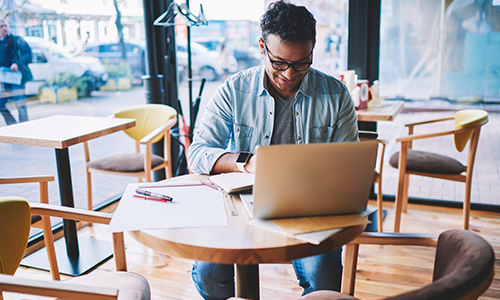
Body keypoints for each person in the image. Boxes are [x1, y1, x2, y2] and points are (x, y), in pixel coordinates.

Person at [188, 1, 358, 299]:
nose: (290, 74)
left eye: (302, 63)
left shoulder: (335, 94)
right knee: (209, 275)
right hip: (241, 206)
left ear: (313, 48)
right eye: (279, 63)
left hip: (308, 208)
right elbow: (198, 153)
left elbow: (348, 165)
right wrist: (247, 162)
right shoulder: (234, 90)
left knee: (326, 278)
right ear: (261, 46)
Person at [0, 19, 33, 125]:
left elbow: (28, 55)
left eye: (5, 25)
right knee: (1, 104)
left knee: (20, 103)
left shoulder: (16, 40)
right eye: (1, 26)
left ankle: (24, 126)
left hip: (16, 77)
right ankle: (12, 125)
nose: (4, 28)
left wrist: (17, 64)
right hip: (3, 78)